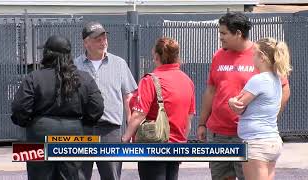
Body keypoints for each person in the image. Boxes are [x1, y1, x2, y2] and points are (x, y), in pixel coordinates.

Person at [196, 12, 290, 180]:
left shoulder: (261, 55)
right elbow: (211, 90)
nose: (220, 37)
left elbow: (284, 89)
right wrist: (202, 123)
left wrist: (269, 118)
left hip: (248, 137)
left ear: (238, 33)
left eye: (224, 33)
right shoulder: (218, 55)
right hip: (219, 135)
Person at [11, 35, 104, 180]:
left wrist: (28, 123)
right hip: (73, 135)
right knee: (72, 176)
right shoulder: (84, 78)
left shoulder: (34, 78)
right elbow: (97, 107)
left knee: (38, 176)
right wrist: (83, 124)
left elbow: (19, 108)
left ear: (47, 54)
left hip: (39, 133)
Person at [122, 37, 196, 180]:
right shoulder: (187, 81)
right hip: (176, 146)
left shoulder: (150, 80)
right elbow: (188, 119)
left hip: (153, 146)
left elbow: (139, 114)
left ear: (156, 56)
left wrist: (126, 138)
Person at [74, 21, 137, 180]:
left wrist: (130, 127)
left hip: (111, 131)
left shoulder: (119, 63)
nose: (103, 42)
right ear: (86, 43)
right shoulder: (75, 66)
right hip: (82, 130)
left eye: (104, 38)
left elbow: (128, 96)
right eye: (98, 39)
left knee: (111, 176)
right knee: (79, 176)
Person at [228, 38, 291, 180]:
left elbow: (238, 106)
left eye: (254, 54)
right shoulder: (276, 78)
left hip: (257, 143)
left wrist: (231, 101)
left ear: (262, 57)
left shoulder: (258, 79)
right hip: (271, 141)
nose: (252, 58)